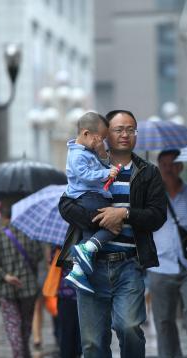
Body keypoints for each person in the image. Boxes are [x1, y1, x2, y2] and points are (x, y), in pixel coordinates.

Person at [58, 109, 167, 358]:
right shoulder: (87, 164)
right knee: (92, 344)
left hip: (128, 264)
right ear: (105, 134)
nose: (125, 134)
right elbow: (65, 206)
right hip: (90, 268)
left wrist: (124, 214)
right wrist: (101, 219)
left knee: (128, 328)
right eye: (119, 129)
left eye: (130, 129)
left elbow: (157, 215)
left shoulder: (147, 172)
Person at [148, 149, 187, 358]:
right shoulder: (151, 196)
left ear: (180, 167)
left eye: (173, 164)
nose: (168, 168)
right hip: (160, 266)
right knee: (163, 320)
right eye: (163, 164)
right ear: (158, 168)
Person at [64, 111, 119, 293]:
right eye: (99, 138)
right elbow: (85, 176)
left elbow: (97, 167)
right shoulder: (77, 155)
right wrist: (105, 173)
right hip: (88, 197)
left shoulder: (87, 151)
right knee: (113, 226)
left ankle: (77, 271)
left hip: (91, 196)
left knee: (89, 232)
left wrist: (107, 166)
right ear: (86, 133)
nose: (101, 142)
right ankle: (87, 249)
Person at [0, 203, 43, 358]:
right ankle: (25, 354)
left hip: (6, 288)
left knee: (13, 326)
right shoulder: (29, 233)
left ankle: (19, 355)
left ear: (2, 216)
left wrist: (5, 276)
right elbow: (38, 255)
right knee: (25, 325)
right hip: (29, 287)